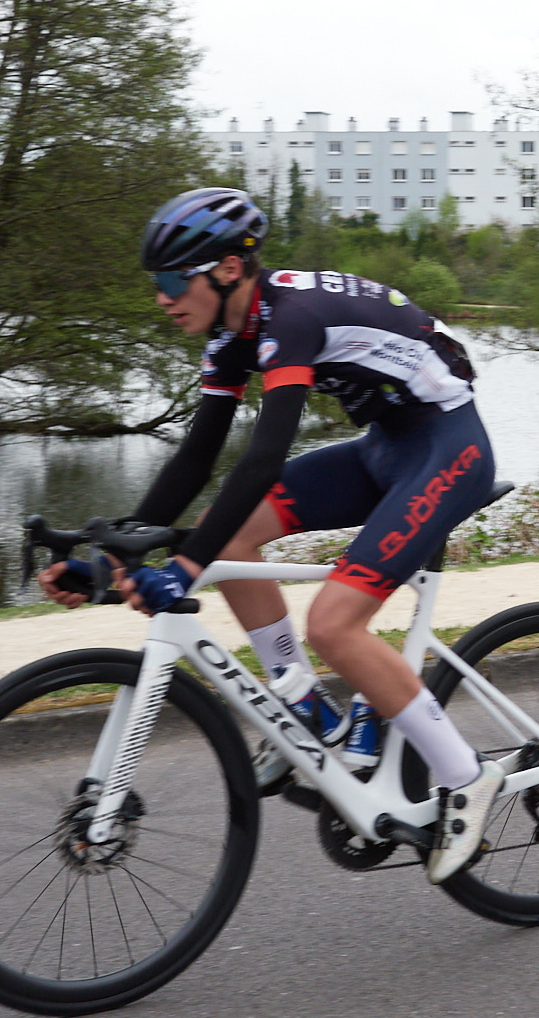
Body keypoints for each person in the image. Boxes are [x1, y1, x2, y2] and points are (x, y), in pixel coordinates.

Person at [38, 187, 503, 881]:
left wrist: (182, 569)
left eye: (173, 282)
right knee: (225, 537)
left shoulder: (291, 318)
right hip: (385, 446)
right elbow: (198, 456)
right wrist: (110, 561)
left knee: (334, 623)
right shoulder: (232, 333)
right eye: (156, 284)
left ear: (228, 269)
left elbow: (262, 459)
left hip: (447, 448)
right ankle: (304, 706)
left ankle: (466, 776)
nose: (162, 298)